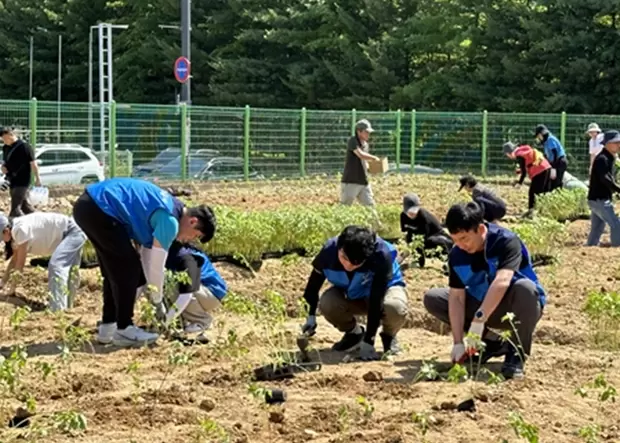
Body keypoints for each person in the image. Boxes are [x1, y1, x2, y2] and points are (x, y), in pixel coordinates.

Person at [72, 177, 217, 347]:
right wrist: (157, 301)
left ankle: (108, 327)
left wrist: (156, 296)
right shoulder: (170, 222)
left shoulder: (170, 208)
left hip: (87, 206)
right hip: (101, 208)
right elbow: (156, 266)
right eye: (196, 236)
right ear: (193, 222)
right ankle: (124, 328)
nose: (190, 240)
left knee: (115, 271)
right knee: (129, 268)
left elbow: (147, 259)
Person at [423, 202, 546, 379]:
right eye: (455, 240)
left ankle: (516, 354)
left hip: (515, 307)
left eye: (464, 238)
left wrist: (479, 320)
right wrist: (458, 342)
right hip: (482, 303)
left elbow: (502, 281)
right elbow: (457, 297)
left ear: (480, 230)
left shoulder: (506, 241)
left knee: (525, 288)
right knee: (434, 298)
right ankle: (492, 343)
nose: (460, 245)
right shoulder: (457, 255)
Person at [300, 225, 408, 360]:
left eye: (356, 264)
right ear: (339, 248)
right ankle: (354, 334)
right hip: (353, 293)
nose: (348, 266)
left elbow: (376, 299)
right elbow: (313, 286)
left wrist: (370, 341)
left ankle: (389, 337)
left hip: (383, 293)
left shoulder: (381, 255)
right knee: (328, 302)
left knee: (394, 307)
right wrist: (310, 316)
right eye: (344, 258)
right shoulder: (328, 251)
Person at [0, 212, 86, 311]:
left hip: (72, 232)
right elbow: (14, 260)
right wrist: (2, 283)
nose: (3, 241)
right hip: (72, 232)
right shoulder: (15, 231)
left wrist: (12, 290)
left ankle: (57, 311)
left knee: (56, 266)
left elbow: (20, 265)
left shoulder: (20, 231)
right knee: (71, 271)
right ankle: (68, 308)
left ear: (6, 231)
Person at [163, 240, 228, 338]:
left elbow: (188, 290)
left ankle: (202, 321)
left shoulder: (186, 255)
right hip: (207, 292)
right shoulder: (183, 250)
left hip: (210, 293)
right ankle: (179, 322)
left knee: (171, 285)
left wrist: (166, 322)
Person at [586, 130, 620, 247]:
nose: (619, 145)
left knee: (597, 228)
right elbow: (605, 178)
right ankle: (617, 247)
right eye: (616, 142)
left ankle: (590, 247)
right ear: (607, 144)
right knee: (616, 224)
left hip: (596, 199)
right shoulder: (603, 159)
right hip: (599, 200)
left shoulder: (608, 157)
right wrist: (618, 189)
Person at [400, 193, 453, 268]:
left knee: (430, 241)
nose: (413, 214)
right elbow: (407, 233)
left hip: (438, 239)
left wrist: (408, 251)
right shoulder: (403, 217)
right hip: (422, 239)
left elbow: (422, 239)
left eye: (414, 211)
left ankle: (448, 262)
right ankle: (418, 261)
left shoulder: (423, 217)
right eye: (410, 212)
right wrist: (402, 256)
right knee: (410, 238)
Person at [1, 127, 41, 218]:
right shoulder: (6, 148)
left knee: (15, 209)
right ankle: (39, 220)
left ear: (11, 135)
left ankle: (13, 227)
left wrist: (37, 178)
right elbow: (5, 161)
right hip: (11, 180)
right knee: (24, 207)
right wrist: (3, 167)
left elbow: (33, 163)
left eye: (5, 138)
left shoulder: (25, 147)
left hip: (23, 181)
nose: (4, 141)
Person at [340, 119, 381, 207]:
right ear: (359, 131)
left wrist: (372, 169)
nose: (368, 134)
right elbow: (360, 154)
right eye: (366, 132)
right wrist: (374, 158)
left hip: (363, 181)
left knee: (370, 206)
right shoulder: (353, 141)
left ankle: (375, 221)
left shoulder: (366, 144)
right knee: (345, 207)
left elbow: (364, 162)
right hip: (351, 181)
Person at [503, 141, 552, 213]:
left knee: (533, 192)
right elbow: (529, 162)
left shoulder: (519, 155)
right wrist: (521, 170)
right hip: (546, 167)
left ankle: (531, 211)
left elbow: (524, 173)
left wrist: (519, 183)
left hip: (540, 171)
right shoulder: (523, 149)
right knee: (543, 191)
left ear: (508, 153)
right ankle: (544, 210)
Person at [534, 124, 568, 191]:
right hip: (555, 162)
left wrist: (554, 168)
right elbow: (547, 155)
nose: (538, 138)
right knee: (552, 181)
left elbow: (555, 153)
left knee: (556, 182)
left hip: (559, 162)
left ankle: (558, 196)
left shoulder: (550, 139)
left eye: (538, 136)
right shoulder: (546, 142)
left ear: (542, 134)